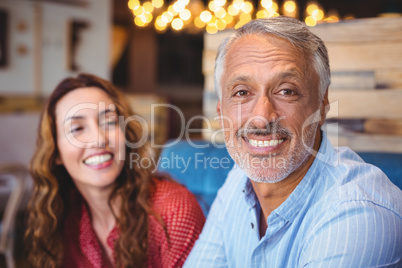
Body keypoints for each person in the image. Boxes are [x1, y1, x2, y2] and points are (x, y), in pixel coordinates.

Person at [184, 17, 402, 267]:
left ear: (321, 104)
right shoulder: (239, 179)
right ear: (221, 112)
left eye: (286, 91)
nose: (262, 118)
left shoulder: (359, 215)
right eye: (242, 92)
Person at [25, 73, 205, 268]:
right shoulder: (61, 218)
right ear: (56, 152)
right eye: (77, 128)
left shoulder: (173, 211)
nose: (99, 139)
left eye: (109, 122)